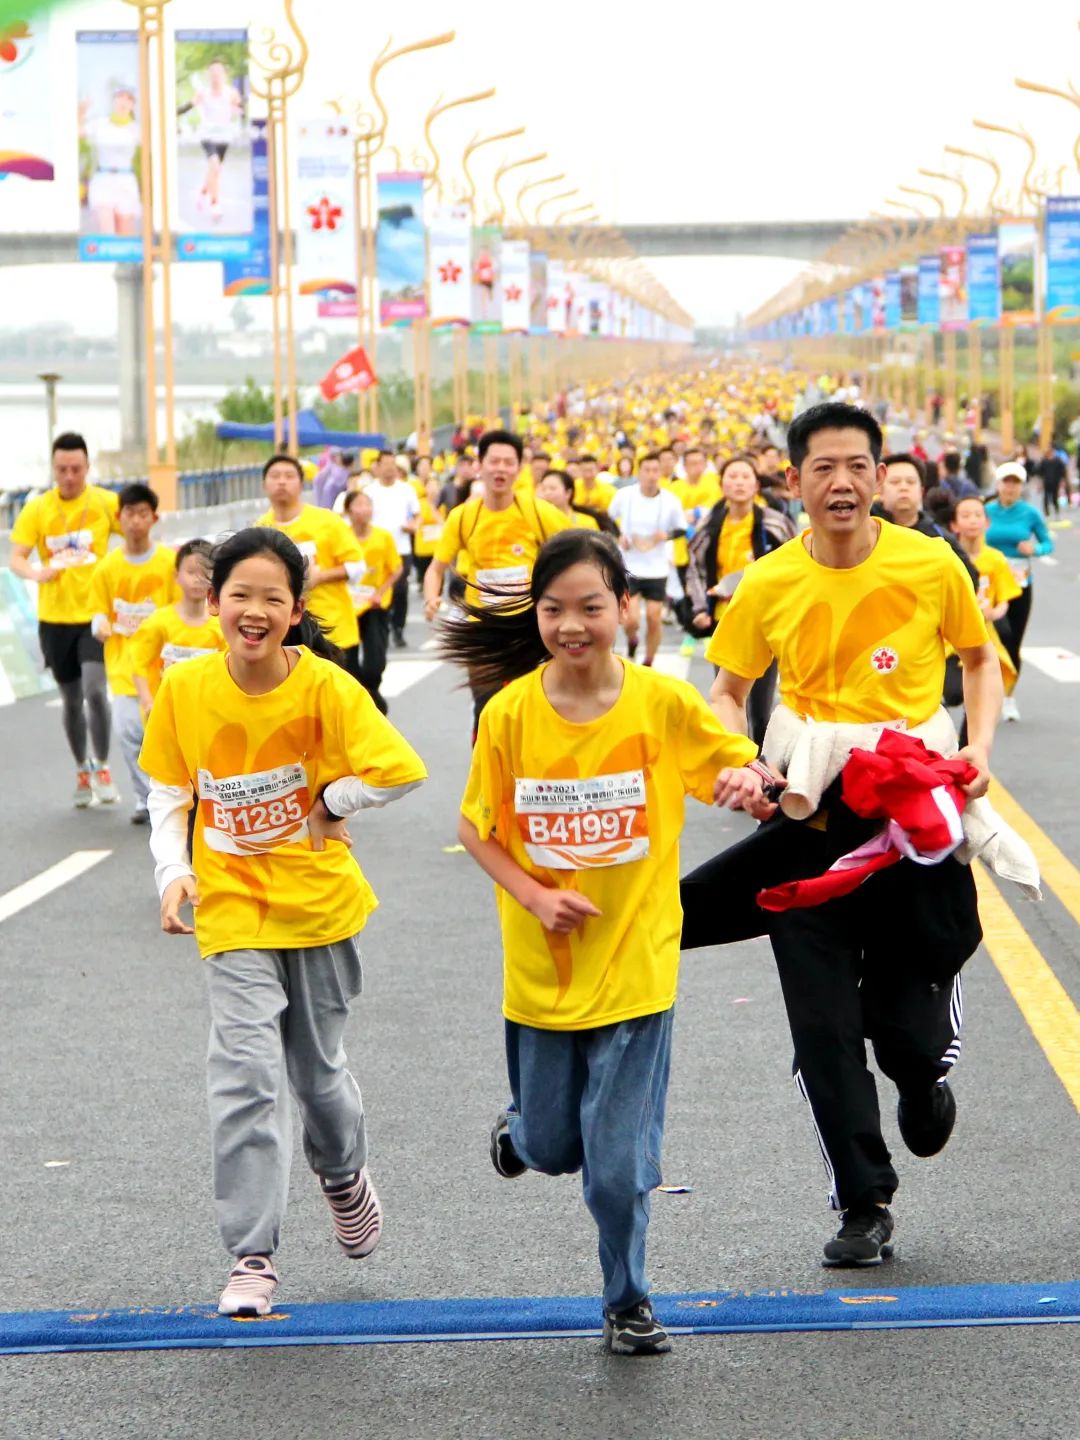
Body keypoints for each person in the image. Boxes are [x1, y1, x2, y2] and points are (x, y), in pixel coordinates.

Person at [681, 402, 1001, 1269]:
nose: (843, 483)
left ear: (880, 475)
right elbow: (725, 687)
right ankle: (865, 1202)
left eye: (858, 466)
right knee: (820, 1029)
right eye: (823, 468)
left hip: (910, 829)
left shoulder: (930, 564)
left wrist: (975, 748)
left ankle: (925, 1076)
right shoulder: (769, 581)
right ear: (797, 482)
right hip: (810, 820)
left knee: (904, 1034)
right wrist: (739, 760)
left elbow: (978, 660)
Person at [443, 529, 761, 1355]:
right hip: (542, 975)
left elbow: (735, 764)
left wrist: (746, 780)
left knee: (616, 1167)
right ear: (538, 616)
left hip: (636, 965)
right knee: (550, 1146)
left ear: (623, 606)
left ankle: (628, 1300)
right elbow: (476, 831)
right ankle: (518, 1134)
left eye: (590, 606)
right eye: (554, 610)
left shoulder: (661, 702)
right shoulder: (511, 713)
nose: (572, 625)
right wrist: (536, 895)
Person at [139, 527, 427, 1317]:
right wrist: (174, 873)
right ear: (213, 601)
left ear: (297, 610)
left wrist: (335, 801)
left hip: (320, 907)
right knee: (245, 1077)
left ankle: (341, 1173)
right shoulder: (187, 690)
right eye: (240, 596)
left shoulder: (327, 689)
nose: (254, 611)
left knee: (319, 1075)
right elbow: (168, 791)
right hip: (230, 908)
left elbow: (400, 770)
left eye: (273, 598)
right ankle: (253, 1254)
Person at [423, 429, 572, 738]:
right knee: (487, 708)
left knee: (533, 707)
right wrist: (430, 598)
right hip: (484, 629)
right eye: (494, 461)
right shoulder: (463, 517)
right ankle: (488, 777)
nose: (500, 469)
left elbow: (574, 558)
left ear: (519, 469)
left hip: (530, 627)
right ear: (480, 465)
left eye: (508, 462)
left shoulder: (539, 513)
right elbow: (436, 568)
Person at [9, 432, 121, 807]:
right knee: (72, 700)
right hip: (54, 619)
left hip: (94, 615)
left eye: (76, 469)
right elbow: (17, 557)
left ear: (88, 468)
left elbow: (139, 531)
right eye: (62, 469)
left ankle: (104, 766)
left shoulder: (106, 503)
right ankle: (82, 769)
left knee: (94, 690)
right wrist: (35, 573)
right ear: (53, 469)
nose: (69, 476)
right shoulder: (38, 509)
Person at [684, 454, 793, 744]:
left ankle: (763, 765)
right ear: (722, 485)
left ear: (756, 485)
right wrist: (699, 608)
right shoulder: (710, 526)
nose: (739, 483)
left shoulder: (775, 523)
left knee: (761, 705)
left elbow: (796, 565)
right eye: (733, 477)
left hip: (766, 622)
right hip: (725, 621)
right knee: (729, 698)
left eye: (746, 477)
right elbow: (693, 567)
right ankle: (740, 763)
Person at [89, 483, 179, 824]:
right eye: (130, 513)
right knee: (129, 731)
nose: (136, 521)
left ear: (154, 518)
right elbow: (99, 610)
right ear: (119, 517)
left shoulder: (170, 563)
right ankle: (147, 801)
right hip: (125, 665)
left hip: (165, 668)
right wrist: (99, 624)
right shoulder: (107, 568)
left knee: (167, 737)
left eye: (143, 514)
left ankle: (175, 795)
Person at [256, 453, 362, 679]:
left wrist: (321, 577)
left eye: (289, 476)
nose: (282, 481)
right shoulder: (261, 528)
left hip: (332, 628)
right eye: (275, 476)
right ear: (264, 484)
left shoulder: (327, 521)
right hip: (285, 632)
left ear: (301, 483)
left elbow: (357, 566)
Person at [985, 461, 1054, 723]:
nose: (1010, 487)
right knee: (991, 639)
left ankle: (1008, 697)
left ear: (1021, 486)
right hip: (989, 587)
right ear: (998, 484)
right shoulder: (986, 511)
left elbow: (1048, 543)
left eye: (1015, 483)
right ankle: (986, 692)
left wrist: (1035, 550)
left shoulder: (1030, 514)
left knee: (1012, 640)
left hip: (1019, 585)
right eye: (1006, 481)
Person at [130, 539, 226, 714]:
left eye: (205, 573)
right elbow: (139, 664)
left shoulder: (222, 625)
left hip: (206, 714)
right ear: (176, 576)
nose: (198, 579)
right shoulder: (158, 623)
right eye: (191, 572)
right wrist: (148, 703)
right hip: (167, 713)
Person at [607, 454, 685, 667]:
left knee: (653, 617)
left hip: (657, 568)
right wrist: (618, 537)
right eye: (647, 470)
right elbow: (609, 519)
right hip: (629, 565)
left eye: (655, 470)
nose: (651, 475)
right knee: (631, 619)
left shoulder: (670, 500)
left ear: (660, 473)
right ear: (639, 472)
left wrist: (666, 536)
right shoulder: (625, 495)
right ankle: (632, 640)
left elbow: (681, 528)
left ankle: (648, 661)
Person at [342, 489, 402, 715]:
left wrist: (381, 592)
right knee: (348, 663)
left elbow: (396, 569)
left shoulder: (383, 537)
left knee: (374, 664)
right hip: (347, 608)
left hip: (375, 606)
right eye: (359, 504)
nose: (365, 509)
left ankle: (372, 693)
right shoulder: (342, 536)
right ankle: (367, 702)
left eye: (368, 504)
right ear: (348, 511)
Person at [364, 451, 420, 649]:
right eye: (385, 464)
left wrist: (413, 525)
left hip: (401, 548)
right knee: (380, 590)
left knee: (401, 590)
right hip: (376, 551)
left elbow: (417, 515)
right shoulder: (369, 492)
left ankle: (398, 627)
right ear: (377, 467)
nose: (389, 468)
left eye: (392, 464)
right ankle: (383, 626)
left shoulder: (406, 490)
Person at [79, 88, 141, 237]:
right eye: (120, 97)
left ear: (133, 105)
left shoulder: (136, 129)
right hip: (103, 178)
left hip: (125, 180)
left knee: (125, 235)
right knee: (107, 233)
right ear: (113, 101)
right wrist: (81, 111)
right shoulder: (100, 124)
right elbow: (77, 131)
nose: (123, 102)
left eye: (128, 99)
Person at [190, 58, 242, 223]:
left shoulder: (231, 93)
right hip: (207, 135)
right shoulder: (202, 93)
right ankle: (215, 205)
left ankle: (203, 192)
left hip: (224, 136)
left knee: (215, 171)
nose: (215, 75)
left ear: (224, 74)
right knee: (215, 166)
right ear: (208, 74)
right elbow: (188, 106)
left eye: (218, 72)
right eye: (212, 72)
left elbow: (240, 109)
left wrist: (238, 109)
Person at [535, 468, 615, 532]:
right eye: (543, 489)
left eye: (552, 488)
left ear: (568, 493)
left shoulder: (586, 522)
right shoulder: (537, 522)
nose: (547, 493)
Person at [411, 475, 445, 594]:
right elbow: (416, 521)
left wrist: (433, 507)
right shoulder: (419, 504)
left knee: (439, 571)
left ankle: (437, 595)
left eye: (435, 486)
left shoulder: (442, 504)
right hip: (424, 544)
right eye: (430, 486)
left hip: (438, 545)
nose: (433, 489)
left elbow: (444, 522)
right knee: (426, 572)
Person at [1034, 445, 1068, 518]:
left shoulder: (1057, 460)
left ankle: (1056, 512)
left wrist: (1062, 481)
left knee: (1055, 497)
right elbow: (1039, 472)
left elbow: (1063, 471)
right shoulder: (1044, 461)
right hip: (1047, 482)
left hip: (1055, 481)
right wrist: (1040, 483)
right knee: (1046, 497)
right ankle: (1047, 513)